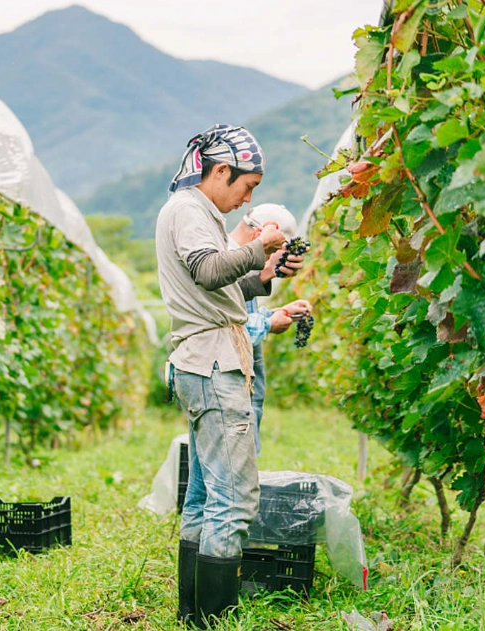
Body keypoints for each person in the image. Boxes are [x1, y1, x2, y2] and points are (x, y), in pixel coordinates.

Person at [156, 124, 286, 627]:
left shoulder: (198, 213)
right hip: (213, 365)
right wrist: (260, 246)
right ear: (221, 171)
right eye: (247, 187)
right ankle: (214, 619)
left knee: (205, 494)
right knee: (234, 498)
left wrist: (264, 273)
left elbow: (217, 287)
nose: (247, 199)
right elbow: (210, 271)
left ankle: (193, 613)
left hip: (204, 361)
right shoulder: (189, 210)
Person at [228, 204, 312, 455]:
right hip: (232, 385)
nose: (276, 257)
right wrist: (268, 324)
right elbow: (226, 329)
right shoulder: (227, 260)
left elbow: (241, 313)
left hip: (246, 386)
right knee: (236, 460)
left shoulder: (241, 261)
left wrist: (277, 312)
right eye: (276, 250)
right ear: (261, 234)